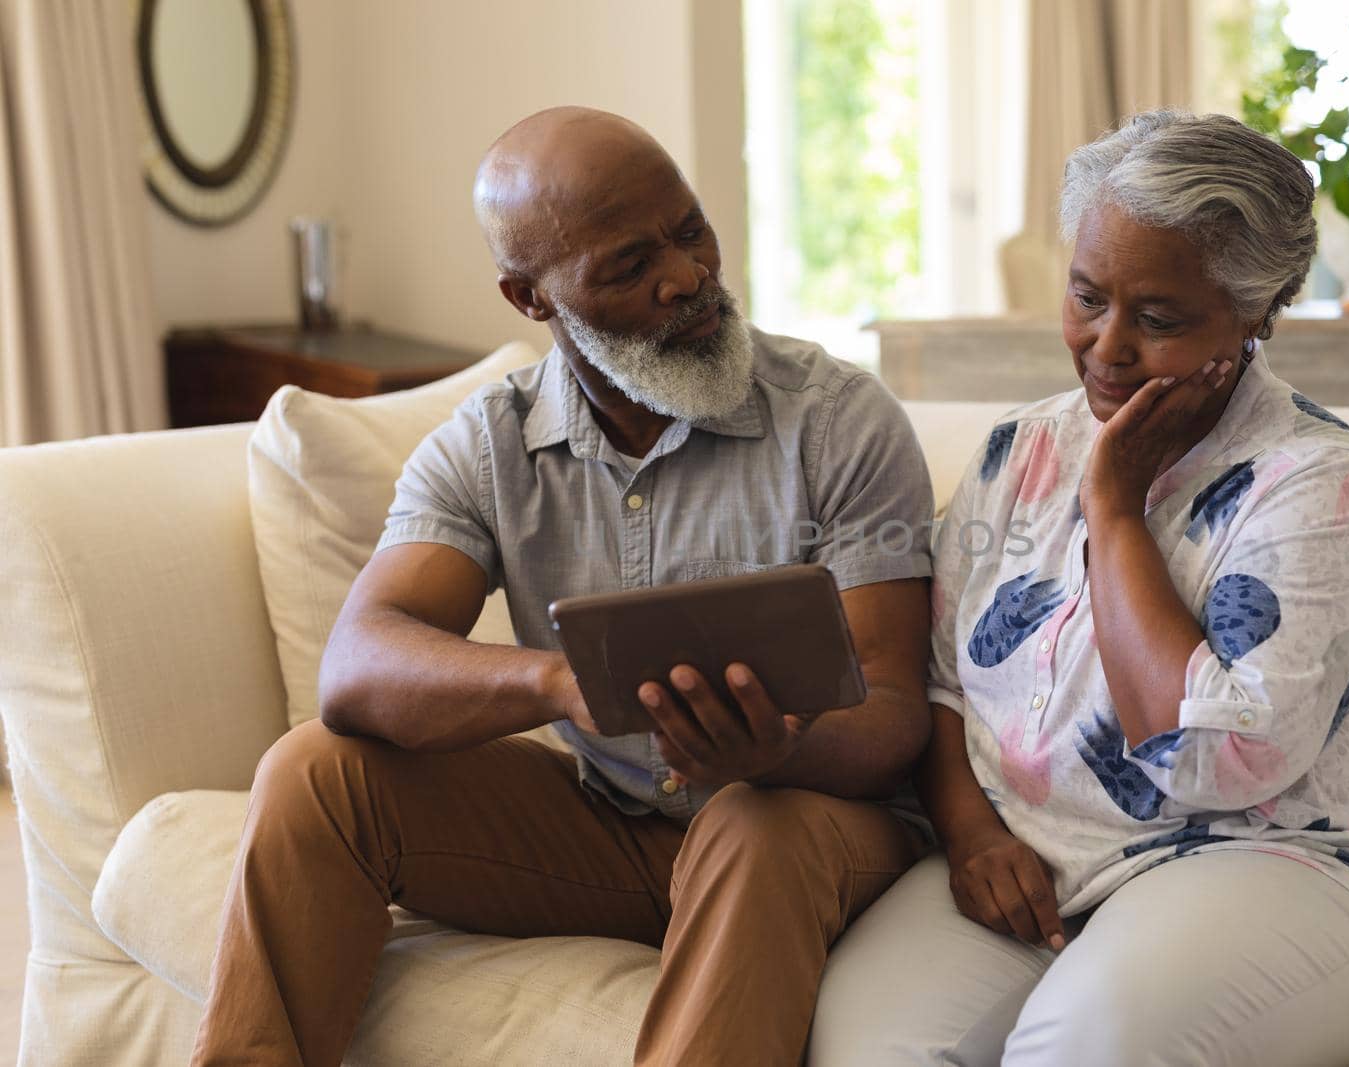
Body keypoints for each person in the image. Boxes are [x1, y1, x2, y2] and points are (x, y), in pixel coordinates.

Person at [189, 107, 936, 1067]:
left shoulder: (837, 420)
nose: (688, 276)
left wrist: (774, 752)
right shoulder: (489, 443)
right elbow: (358, 663)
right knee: (312, 772)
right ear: (530, 297)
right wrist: (556, 683)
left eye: (691, 229)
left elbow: (895, 712)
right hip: (613, 827)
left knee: (754, 820)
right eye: (629, 267)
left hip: (810, 827)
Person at [811, 109, 1349, 1067]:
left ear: (1253, 317)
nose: (1106, 347)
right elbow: (943, 683)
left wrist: (1116, 510)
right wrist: (967, 835)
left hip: (1288, 864)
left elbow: (1208, 762)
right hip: (1040, 860)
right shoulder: (1017, 450)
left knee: (1077, 1050)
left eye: (1159, 320)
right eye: (1087, 298)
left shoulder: (1319, 485)